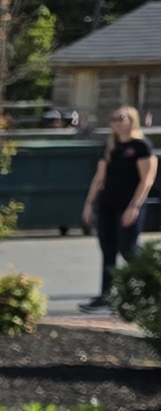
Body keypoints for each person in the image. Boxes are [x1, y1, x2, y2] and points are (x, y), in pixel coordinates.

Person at [82, 103, 152, 306]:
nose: (117, 122)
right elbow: (99, 177)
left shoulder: (141, 146)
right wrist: (89, 203)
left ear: (132, 121)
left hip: (128, 205)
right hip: (107, 204)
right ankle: (107, 295)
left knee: (128, 249)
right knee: (108, 249)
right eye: (114, 119)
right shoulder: (110, 146)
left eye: (122, 118)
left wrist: (135, 206)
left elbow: (146, 179)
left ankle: (151, 286)